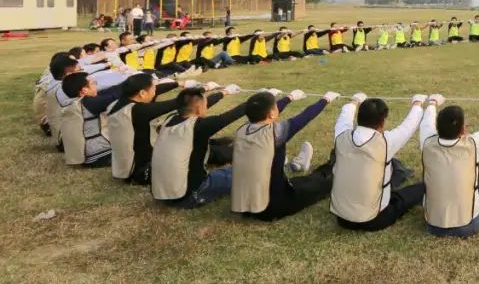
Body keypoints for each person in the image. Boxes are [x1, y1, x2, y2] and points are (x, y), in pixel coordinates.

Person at [231, 89, 340, 220]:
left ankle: (298, 165)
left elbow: (265, 113)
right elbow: (304, 117)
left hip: (246, 205)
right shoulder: (274, 133)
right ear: (271, 113)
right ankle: (332, 167)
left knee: (301, 182)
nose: (277, 107)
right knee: (322, 183)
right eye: (275, 106)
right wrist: (325, 100)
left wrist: (289, 97)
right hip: (272, 207)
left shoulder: (243, 130)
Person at [331, 93, 432, 231]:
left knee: (391, 166)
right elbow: (409, 125)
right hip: (373, 219)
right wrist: (418, 103)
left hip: (340, 218)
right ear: (382, 122)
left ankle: (401, 175)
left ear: (359, 117)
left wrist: (354, 101)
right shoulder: (385, 142)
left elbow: (344, 117)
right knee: (418, 189)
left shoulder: (341, 135)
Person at [108, 76, 232, 184]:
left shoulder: (117, 105)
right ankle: (227, 152)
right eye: (153, 88)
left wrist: (179, 83)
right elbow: (183, 102)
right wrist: (209, 89)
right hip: (143, 170)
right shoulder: (138, 111)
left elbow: (160, 90)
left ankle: (216, 144)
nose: (155, 91)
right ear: (142, 93)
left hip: (128, 167)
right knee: (195, 148)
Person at [420, 96, 479, 238]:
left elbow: (426, 123)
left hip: (432, 226)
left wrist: (432, 103)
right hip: (468, 225)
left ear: (437, 127)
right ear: (463, 129)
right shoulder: (473, 144)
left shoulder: (426, 142)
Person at [151, 84, 249, 208]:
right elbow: (229, 116)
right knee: (244, 171)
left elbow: (197, 105)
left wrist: (224, 92)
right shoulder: (198, 126)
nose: (206, 106)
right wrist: (261, 99)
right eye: (205, 104)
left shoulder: (169, 120)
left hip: (161, 193)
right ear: (199, 108)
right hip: (188, 196)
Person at [57, 72, 127, 167]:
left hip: (89, 152)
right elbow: (115, 95)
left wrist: (130, 81)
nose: (96, 85)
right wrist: (135, 83)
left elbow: (109, 91)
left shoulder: (79, 102)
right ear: (84, 90)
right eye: (93, 83)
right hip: (99, 154)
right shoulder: (90, 103)